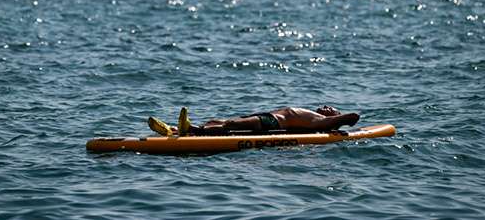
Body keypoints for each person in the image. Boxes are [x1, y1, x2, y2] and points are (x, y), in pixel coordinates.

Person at [147, 106, 360, 137]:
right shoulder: (318, 117)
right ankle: (174, 130)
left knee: (230, 125)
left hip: (274, 123)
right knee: (217, 121)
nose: (324, 106)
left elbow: (353, 118)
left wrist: (336, 118)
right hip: (267, 117)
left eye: (329, 107)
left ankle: (191, 129)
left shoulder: (323, 121)